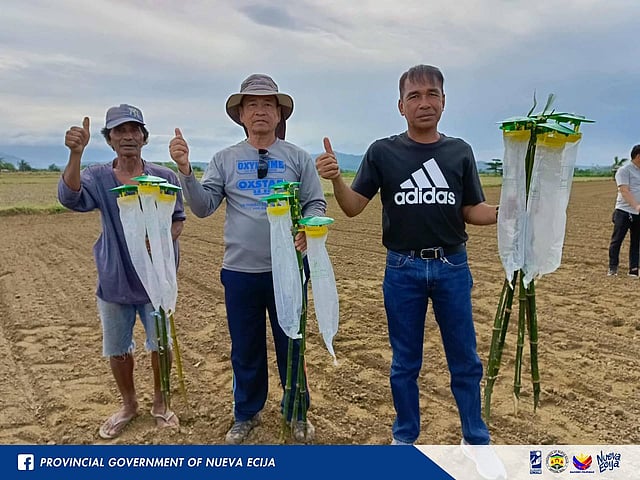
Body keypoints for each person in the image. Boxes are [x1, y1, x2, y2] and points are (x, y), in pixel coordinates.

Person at [316, 65, 506, 479]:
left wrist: (508, 210)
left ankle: (476, 440)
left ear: (444, 101)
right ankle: (405, 439)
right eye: (414, 96)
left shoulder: (459, 152)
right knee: (405, 363)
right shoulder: (383, 152)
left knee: (465, 360)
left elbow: (471, 210)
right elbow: (353, 207)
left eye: (432, 94)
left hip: (452, 266)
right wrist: (336, 181)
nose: (424, 102)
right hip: (402, 268)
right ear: (400, 106)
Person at [169, 74, 326, 444]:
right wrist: (186, 171)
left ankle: (297, 412)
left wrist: (309, 227)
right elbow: (203, 206)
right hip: (240, 272)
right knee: (245, 347)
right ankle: (246, 412)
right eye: (252, 104)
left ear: (279, 114)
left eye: (268, 104)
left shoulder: (297, 158)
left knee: (292, 343)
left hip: (289, 269)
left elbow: (315, 203)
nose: (260, 111)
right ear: (240, 115)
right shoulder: (224, 159)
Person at [58, 104, 185, 439]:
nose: (128, 136)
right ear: (110, 139)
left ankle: (161, 403)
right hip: (115, 279)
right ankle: (129, 406)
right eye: (120, 131)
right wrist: (76, 154)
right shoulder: (98, 177)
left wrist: (159, 240)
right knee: (117, 348)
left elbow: (177, 221)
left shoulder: (165, 178)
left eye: (134, 130)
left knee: (161, 345)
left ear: (143, 137)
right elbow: (70, 198)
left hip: (155, 280)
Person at [608, 144, 640, 277]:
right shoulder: (624, 170)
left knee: (636, 242)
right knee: (617, 240)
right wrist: (636, 206)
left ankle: (634, 269)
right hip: (623, 211)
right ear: (638, 156)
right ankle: (613, 267)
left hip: (638, 214)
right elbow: (624, 191)